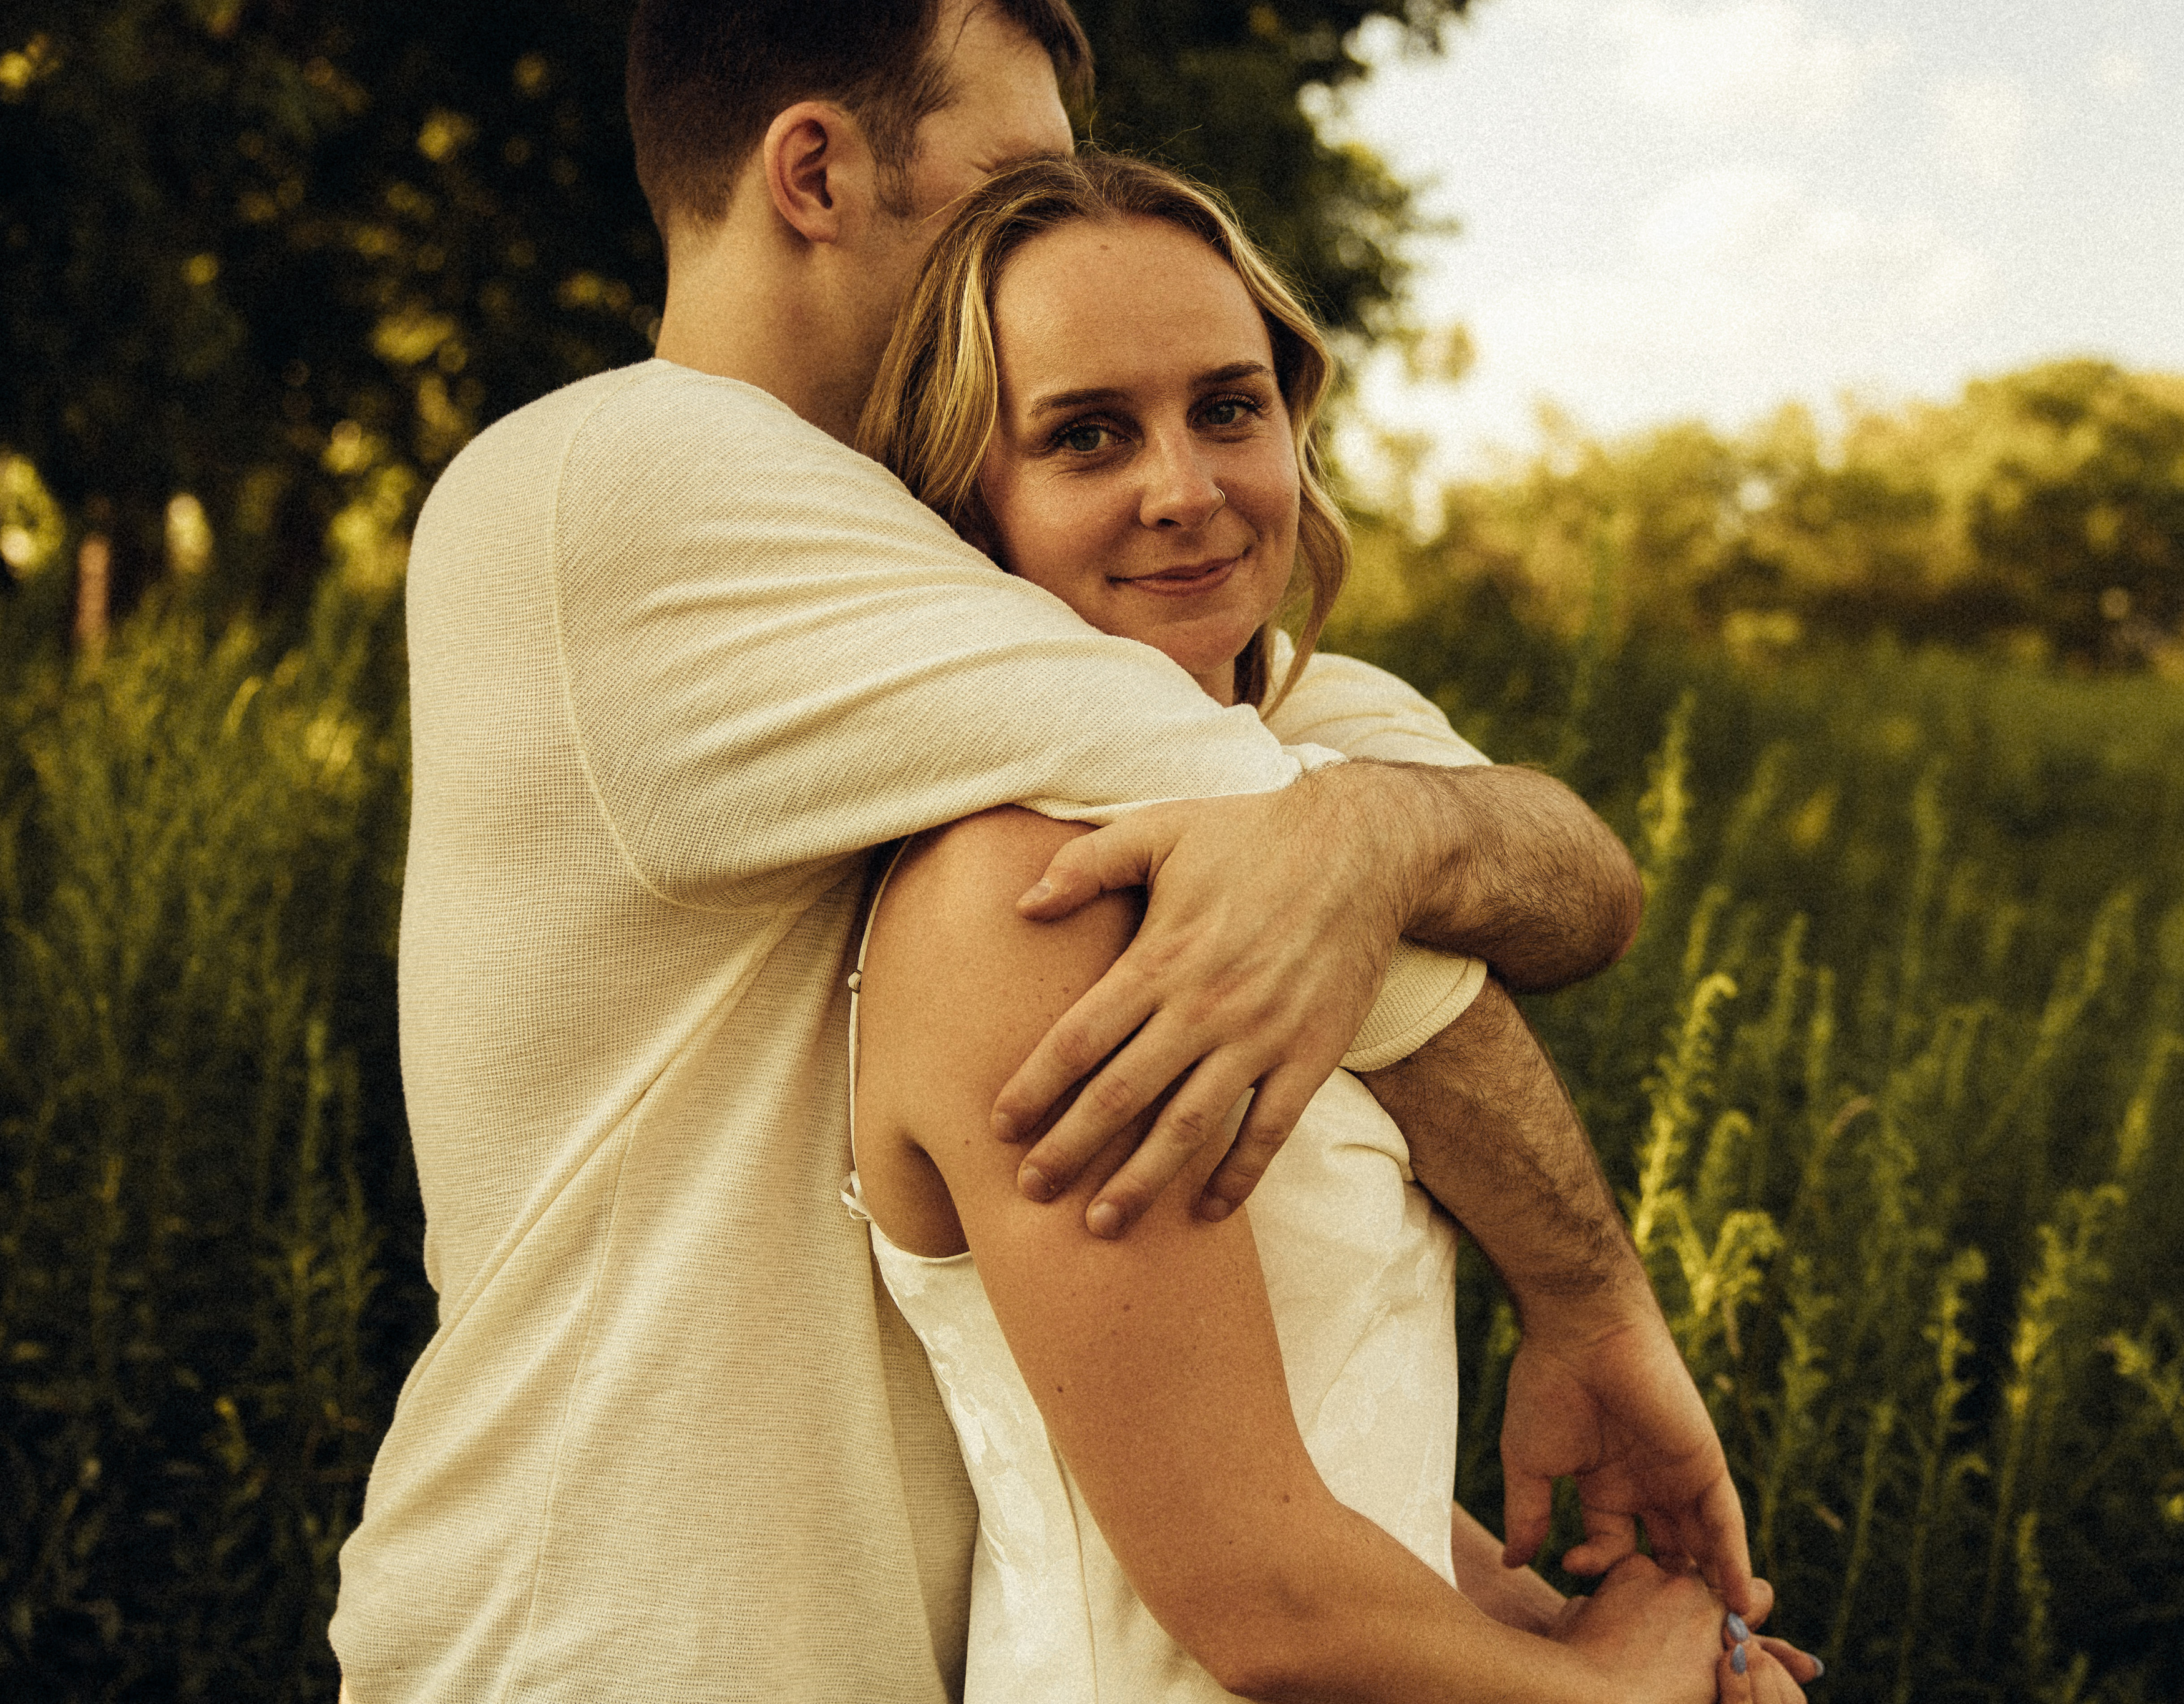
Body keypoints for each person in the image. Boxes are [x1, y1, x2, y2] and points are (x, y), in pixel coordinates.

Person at [331, 3, 1763, 1699]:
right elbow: (1283, 844)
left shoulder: (1035, 655)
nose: (1054, 229)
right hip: (599, 1648)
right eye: (1017, 176)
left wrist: (1378, 824)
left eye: (1230, 407)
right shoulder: (626, 483)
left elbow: (1564, 879)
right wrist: (1589, 1308)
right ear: (816, 170)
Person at [846, 148, 1820, 1702]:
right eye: (1088, 435)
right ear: (975, 494)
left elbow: (1258, 1434)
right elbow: (1260, 1602)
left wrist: (1545, 1619)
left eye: (1228, 408)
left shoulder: (1302, 775)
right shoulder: (1016, 903)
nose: (1186, 487)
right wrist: (1630, 1688)